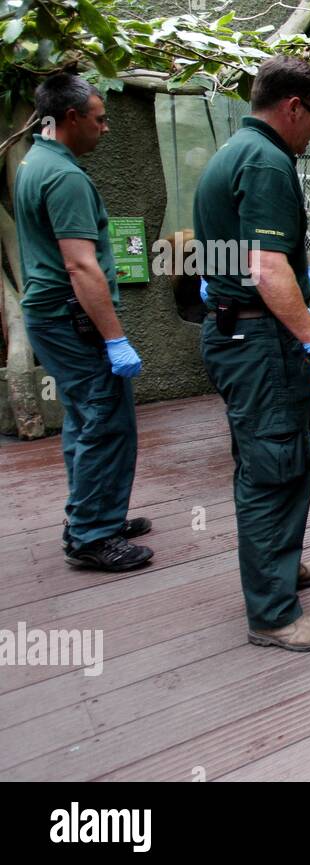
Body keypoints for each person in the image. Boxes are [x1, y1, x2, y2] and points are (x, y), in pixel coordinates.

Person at [193, 55, 310, 652]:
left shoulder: (232, 153)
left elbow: (231, 254)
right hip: (258, 340)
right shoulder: (266, 161)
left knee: (270, 459)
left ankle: (281, 567)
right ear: (292, 107)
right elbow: (266, 265)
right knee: (274, 468)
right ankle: (274, 614)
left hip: (236, 332)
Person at [15, 72, 153, 571]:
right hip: (70, 318)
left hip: (50, 316)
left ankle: (97, 516)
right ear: (71, 118)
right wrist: (115, 338)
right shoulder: (66, 177)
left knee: (85, 416)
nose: (106, 128)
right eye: (100, 118)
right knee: (105, 419)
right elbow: (80, 265)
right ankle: (93, 536)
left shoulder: (35, 161)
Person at [200, 271, 310, 460]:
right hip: (257, 325)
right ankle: (280, 453)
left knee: (292, 385)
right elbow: (272, 272)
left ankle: (302, 441)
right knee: (267, 407)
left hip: (235, 326)